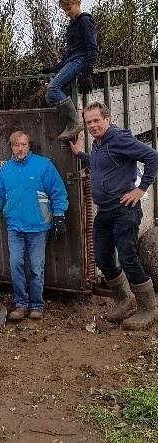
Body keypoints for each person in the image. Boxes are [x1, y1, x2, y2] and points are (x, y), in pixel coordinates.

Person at [70, 102, 158, 330]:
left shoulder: (119, 139)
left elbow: (152, 157)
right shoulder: (100, 145)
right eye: (88, 122)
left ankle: (148, 307)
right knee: (102, 258)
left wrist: (141, 189)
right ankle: (123, 299)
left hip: (124, 211)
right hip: (105, 212)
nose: (92, 125)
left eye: (96, 120)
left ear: (107, 118)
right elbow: (100, 165)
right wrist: (79, 154)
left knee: (128, 257)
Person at [0, 131, 69, 320]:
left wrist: (59, 216)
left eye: (23, 145)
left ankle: (37, 305)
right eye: (16, 145)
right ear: (11, 147)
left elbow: (58, 193)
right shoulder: (6, 170)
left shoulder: (43, 165)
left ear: (29, 146)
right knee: (16, 265)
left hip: (38, 226)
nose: (20, 149)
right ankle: (20, 304)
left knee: (37, 267)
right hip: (15, 226)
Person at [44, 0, 98, 141]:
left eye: (68, 8)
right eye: (64, 10)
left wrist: (87, 72)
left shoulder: (85, 21)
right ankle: (67, 124)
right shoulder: (72, 25)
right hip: (73, 60)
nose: (66, 12)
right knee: (50, 92)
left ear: (78, 3)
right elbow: (71, 52)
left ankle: (74, 123)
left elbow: (92, 47)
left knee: (54, 88)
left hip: (80, 60)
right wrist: (57, 67)